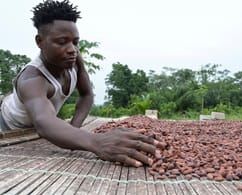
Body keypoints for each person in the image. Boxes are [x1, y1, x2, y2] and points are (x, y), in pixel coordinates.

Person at [0, 0, 163, 167]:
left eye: (75, 42)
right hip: (9, 126)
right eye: (62, 42)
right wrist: (97, 142)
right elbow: (43, 122)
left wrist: (75, 129)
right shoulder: (32, 79)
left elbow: (86, 95)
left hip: (38, 122)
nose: (72, 49)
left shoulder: (74, 58)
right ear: (39, 41)